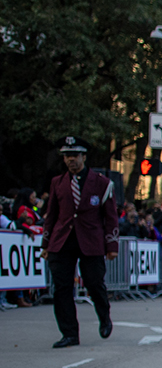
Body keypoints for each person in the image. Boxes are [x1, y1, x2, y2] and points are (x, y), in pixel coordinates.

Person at [40, 137, 118, 348]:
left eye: (74, 156)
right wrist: (45, 244)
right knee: (62, 288)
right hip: (62, 241)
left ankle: (104, 316)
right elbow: (51, 215)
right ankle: (69, 333)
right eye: (67, 156)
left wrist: (111, 246)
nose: (71, 160)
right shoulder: (58, 182)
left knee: (94, 283)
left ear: (84, 156)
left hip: (91, 241)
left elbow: (110, 217)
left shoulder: (101, 183)